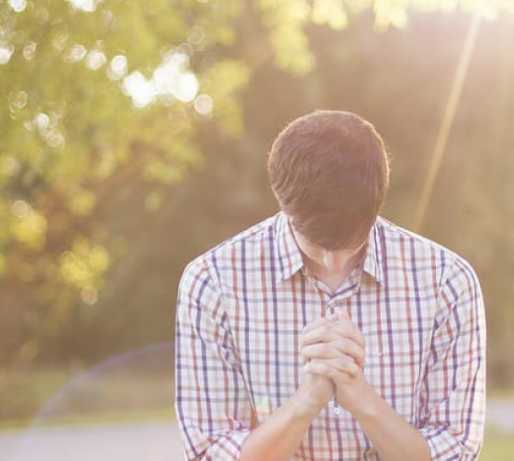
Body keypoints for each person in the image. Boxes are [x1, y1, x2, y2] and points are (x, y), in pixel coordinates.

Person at [175, 110, 486, 461]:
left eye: (352, 242)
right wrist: (305, 404)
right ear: (283, 201)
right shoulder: (214, 282)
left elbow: (455, 451)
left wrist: (364, 401)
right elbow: (209, 453)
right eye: (316, 243)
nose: (333, 263)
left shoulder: (446, 281)